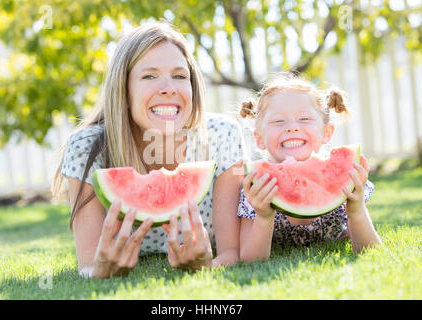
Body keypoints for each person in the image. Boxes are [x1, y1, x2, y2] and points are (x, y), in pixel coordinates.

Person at [52, 22, 246, 278]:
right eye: (149, 76)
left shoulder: (223, 135)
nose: (169, 88)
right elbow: (87, 265)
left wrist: (207, 268)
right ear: (124, 90)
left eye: (179, 75)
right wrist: (101, 272)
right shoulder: (87, 148)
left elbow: (231, 253)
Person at [237, 74, 381, 262]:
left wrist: (356, 209)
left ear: (326, 132)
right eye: (278, 121)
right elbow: (249, 261)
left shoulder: (344, 182)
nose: (292, 128)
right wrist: (263, 216)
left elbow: (370, 251)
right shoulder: (256, 190)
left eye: (304, 118)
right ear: (259, 139)